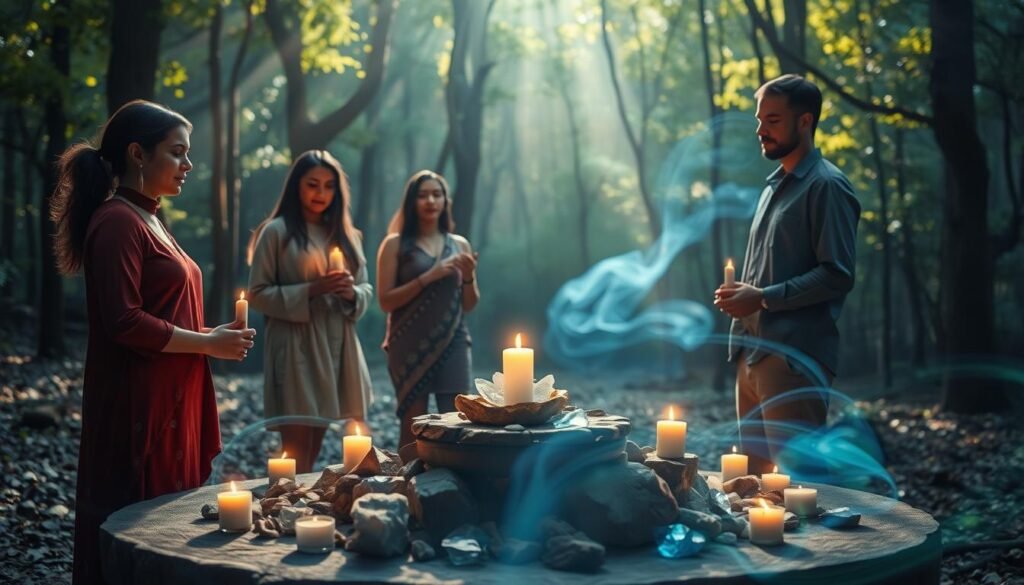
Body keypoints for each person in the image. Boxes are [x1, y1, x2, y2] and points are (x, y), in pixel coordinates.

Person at [50, 100, 256, 584]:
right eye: (177, 152)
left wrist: (212, 337)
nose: (188, 164)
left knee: (167, 513)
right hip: (139, 402)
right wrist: (206, 344)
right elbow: (124, 321)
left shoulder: (152, 219)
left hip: (172, 394)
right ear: (138, 154)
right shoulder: (117, 222)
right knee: (140, 519)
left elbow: (163, 311)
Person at [714, 74, 861, 474]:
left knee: (797, 487)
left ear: (805, 121)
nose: (761, 130)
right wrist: (741, 297)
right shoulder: (772, 188)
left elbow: (837, 274)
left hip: (794, 360)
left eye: (773, 120)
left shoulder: (827, 186)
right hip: (750, 354)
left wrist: (762, 297)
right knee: (750, 486)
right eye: (759, 120)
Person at [247, 150, 374, 473]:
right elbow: (257, 294)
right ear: (296, 186)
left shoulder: (349, 236)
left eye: (329, 186)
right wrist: (312, 289)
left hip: (338, 343)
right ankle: (287, 498)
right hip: (296, 344)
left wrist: (351, 293)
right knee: (296, 444)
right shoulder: (276, 232)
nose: (321, 193)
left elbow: (365, 288)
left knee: (317, 439)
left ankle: (300, 498)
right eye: (312, 184)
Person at [377, 170, 480, 449]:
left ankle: (451, 477)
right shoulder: (395, 244)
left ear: (446, 201)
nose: (430, 201)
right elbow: (385, 301)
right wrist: (429, 276)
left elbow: (469, 304)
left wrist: (468, 277)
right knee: (413, 426)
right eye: (422, 195)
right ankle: (408, 477)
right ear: (411, 201)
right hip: (408, 343)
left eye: (437, 194)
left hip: (453, 341)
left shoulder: (459, 244)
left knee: (457, 423)